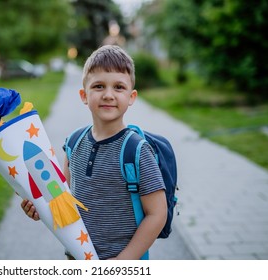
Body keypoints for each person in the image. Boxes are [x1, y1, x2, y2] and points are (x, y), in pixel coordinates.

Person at [21, 45, 167, 260]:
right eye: (99, 86)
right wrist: (39, 209)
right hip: (78, 256)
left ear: (132, 97)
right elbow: (63, 198)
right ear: (84, 95)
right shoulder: (73, 143)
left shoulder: (136, 150)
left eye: (119, 87)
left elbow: (157, 214)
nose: (108, 95)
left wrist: (122, 262)